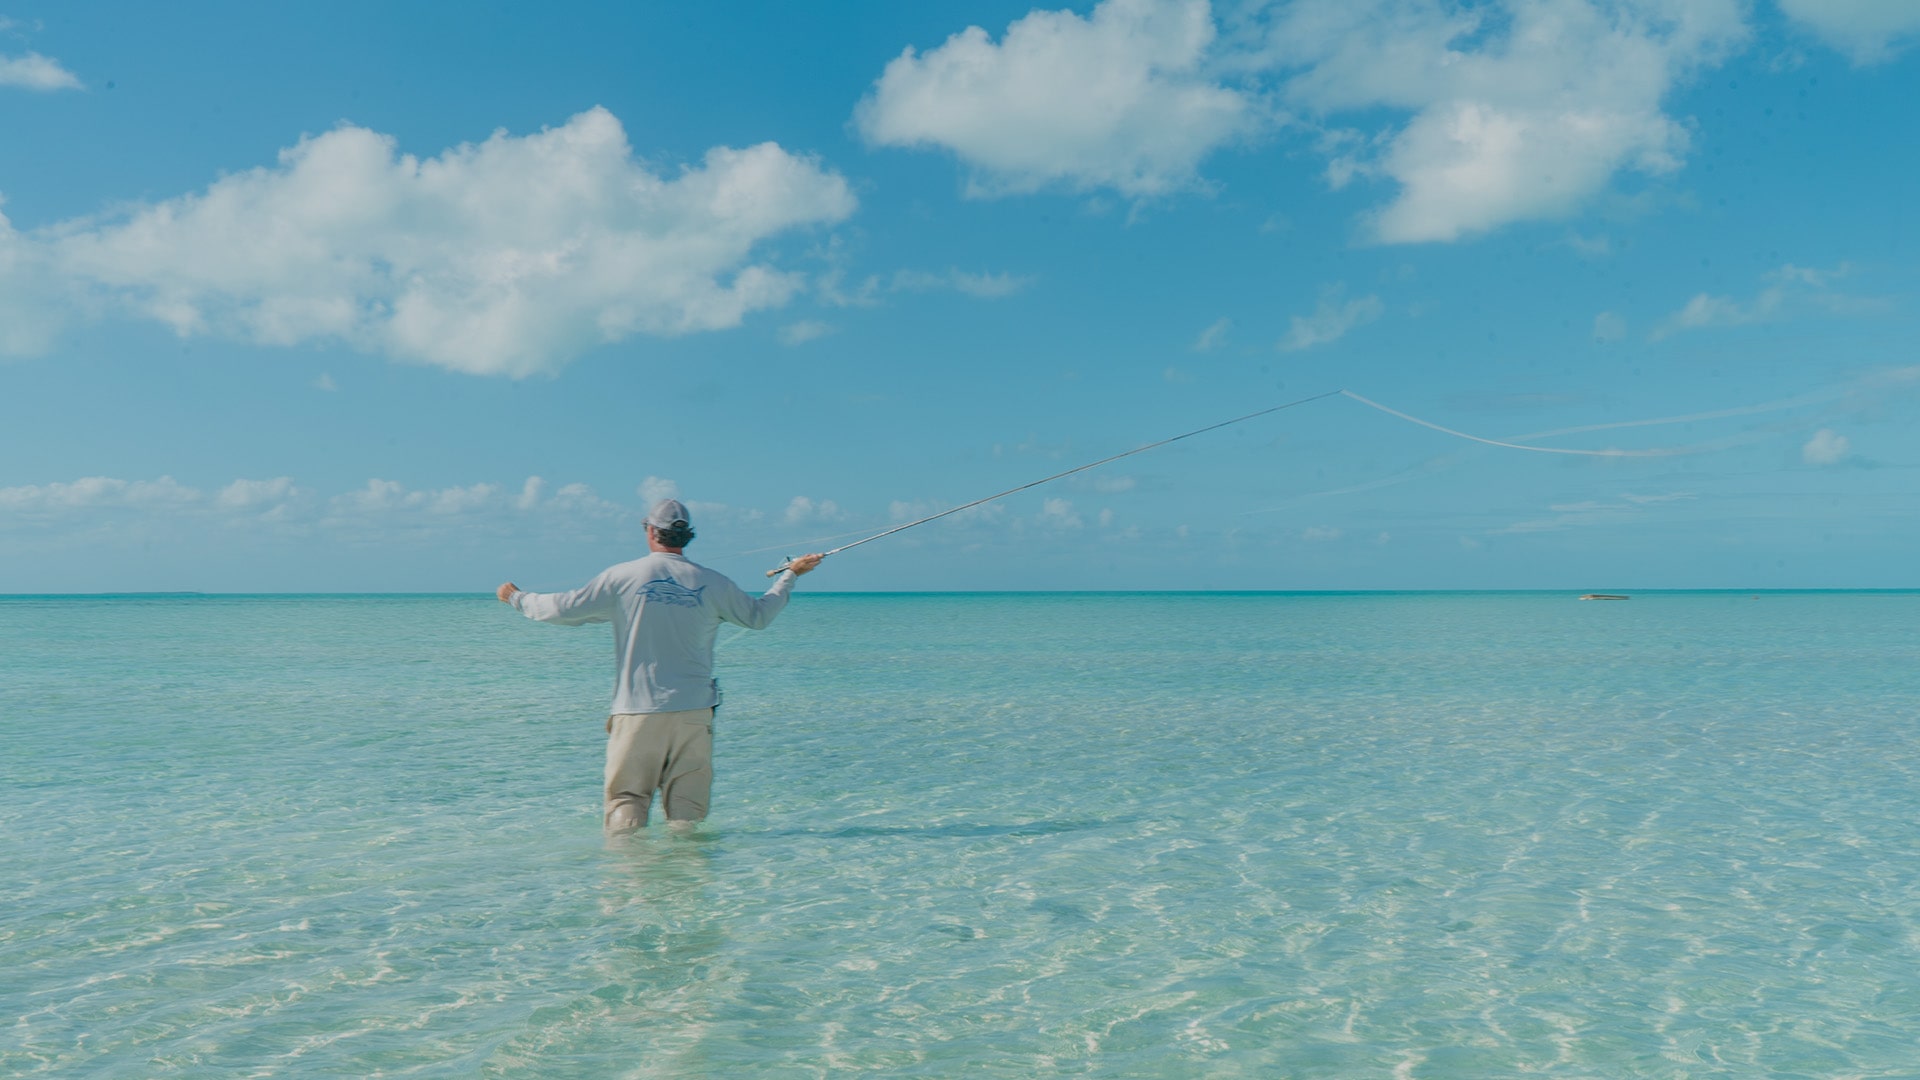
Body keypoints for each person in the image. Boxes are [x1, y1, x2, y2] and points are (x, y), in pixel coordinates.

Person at [497, 498, 823, 834]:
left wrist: (516, 598)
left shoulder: (622, 576)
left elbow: (563, 609)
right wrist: (789, 577)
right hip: (695, 712)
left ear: (650, 531)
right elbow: (758, 616)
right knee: (687, 813)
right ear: (687, 536)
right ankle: (688, 883)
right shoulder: (714, 581)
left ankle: (627, 881)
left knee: (627, 801)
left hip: (637, 711)